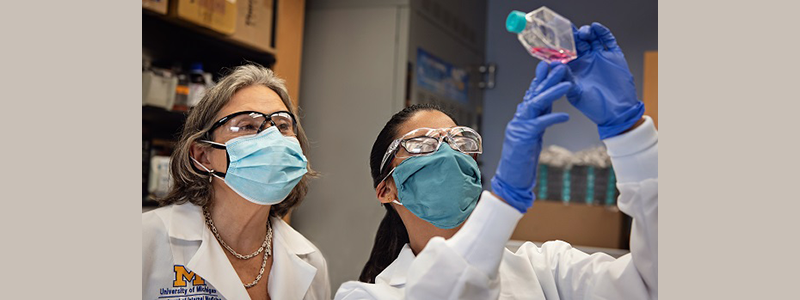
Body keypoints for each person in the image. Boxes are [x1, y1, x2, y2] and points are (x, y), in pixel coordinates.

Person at [335, 22, 657, 299]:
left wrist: (630, 134)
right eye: (421, 143)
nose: (449, 153)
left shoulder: (545, 268)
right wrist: (504, 201)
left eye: (460, 141)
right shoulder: (368, 294)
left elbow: (654, 285)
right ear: (386, 190)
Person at [142, 65, 330, 300]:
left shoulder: (311, 262)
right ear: (203, 156)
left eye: (283, 126)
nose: (273, 139)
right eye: (248, 126)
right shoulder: (145, 241)